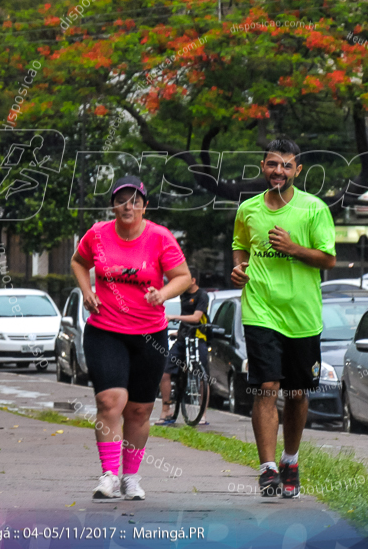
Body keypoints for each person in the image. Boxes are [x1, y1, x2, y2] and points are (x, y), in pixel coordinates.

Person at [70, 175, 192, 501]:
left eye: (135, 200)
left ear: (144, 205)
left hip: (148, 335)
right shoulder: (97, 234)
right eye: (122, 200)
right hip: (105, 330)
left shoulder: (160, 238)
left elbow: (183, 277)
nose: (128, 205)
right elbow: (79, 262)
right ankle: (109, 475)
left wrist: (162, 293)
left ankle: (131, 478)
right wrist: (86, 292)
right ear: (113, 205)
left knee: (138, 411)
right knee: (110, 401)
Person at [231, 138, 336, 498]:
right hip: (260, 310)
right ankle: (267, 469)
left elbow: (328, 259)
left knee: (295, 394)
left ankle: (290, 460)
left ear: (298, 170)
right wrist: (238, 269)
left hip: (303, 315)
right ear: (263, 167)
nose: (279, 171)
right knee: (267, 387)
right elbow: (240, 245)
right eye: (273, 164)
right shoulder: (248, 210)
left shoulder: (314, 209)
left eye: (286, 165)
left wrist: (294, 248)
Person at [156, 275, 210, 425]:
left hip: (198, 337)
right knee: (165, 372)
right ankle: (166, 410)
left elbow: (196, 318)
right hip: (182, 337)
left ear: (193, 280)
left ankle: (202, 414)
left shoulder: (202, 296)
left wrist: (173, 317)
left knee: (202, 375)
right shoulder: (183, 295)